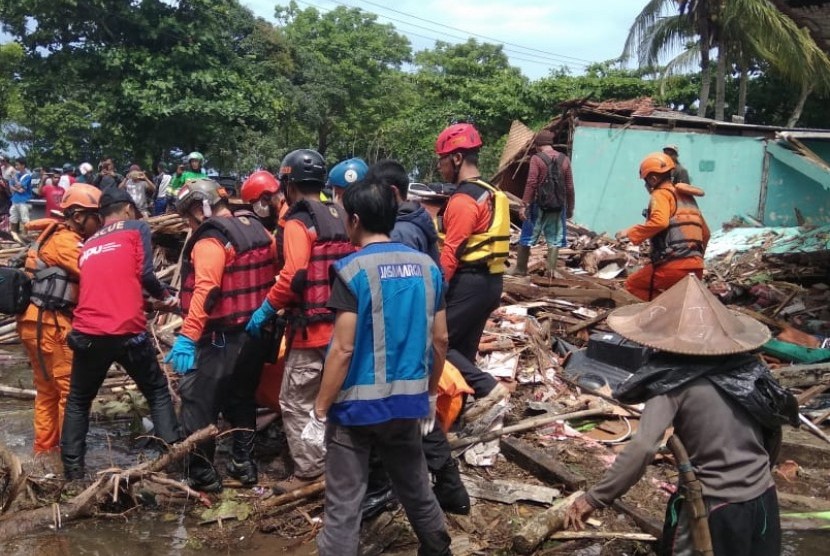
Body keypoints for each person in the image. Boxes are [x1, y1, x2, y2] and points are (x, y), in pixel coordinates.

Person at [564, 274, 792, 556]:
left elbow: (644, 446)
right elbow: (774, 427)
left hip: (715, 506)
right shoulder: (747, 370)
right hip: (763, 498)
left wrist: (595, 498)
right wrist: (757, 476)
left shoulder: (671, 383)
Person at [310, 180, 452, 556]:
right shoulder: (428, 268)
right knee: (415, 486)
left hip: (354, 409)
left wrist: (320, 409)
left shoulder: (350, 271)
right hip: (408, 404)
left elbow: (342, 348)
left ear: (355, 220)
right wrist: (432, 393)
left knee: (343, 505)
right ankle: (438, 547)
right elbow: (441, 340)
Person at [362, 159, 470, 514]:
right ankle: (450, 492)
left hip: (405, 339)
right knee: (415, 417)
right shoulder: (417, 223)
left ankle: (387, 488)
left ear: (391, 194)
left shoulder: (402, 235)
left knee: (398, 415)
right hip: (417, 335)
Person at [245, 149, 354, 493]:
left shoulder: (297, 220)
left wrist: (264, 308)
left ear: (289, 184)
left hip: (311, 331)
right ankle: (340, 462)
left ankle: (309, 472)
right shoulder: (341, 213)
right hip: (343, 327)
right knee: (336, 398)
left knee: (295, 401)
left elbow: (294, 275)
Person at [60, 188, 180, 480]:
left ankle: (73, 475)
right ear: (128, 208)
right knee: (157, 393)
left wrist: (143, 301)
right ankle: (173, 463)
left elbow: (109, 284)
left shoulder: (88, 243)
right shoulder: (136, 227)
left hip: (88, 332)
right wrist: (167, 297)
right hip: (127, 331)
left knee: (78, 401)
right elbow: (147, 276)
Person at [166, 178, 277, 492]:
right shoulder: (259, 229)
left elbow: (207, 289)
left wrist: (188, 336)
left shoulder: (211, 240)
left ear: (199, 207)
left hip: (221, 338)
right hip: (256, 333)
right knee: (241, 397)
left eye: (188, 216)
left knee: (196, 399)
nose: (189, 223)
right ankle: (244, 463)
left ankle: (203, 474)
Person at [17, 184, 102, 454]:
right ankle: (69, 456)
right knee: (70, 393)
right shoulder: (66, 242)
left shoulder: (51, 235)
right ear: (78, 216)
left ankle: (44, 453)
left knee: (47, 392)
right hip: (53, 326)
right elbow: (95, 271)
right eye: (95, 216)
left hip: (35, 324)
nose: (99, 222)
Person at [434, 122, 510, 403]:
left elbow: (452, 252)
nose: (440, 168)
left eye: (442, 161)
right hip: (489, 282)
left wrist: (434, 290)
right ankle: (460, 407)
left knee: (435, 341)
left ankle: (488, 388)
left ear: (456, 158)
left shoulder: (464, 199)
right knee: (463, 350)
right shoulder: (488, 191)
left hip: (469, 283)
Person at [618, 152, 710, 301]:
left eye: (646, 181)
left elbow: (659, 222)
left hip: (673, 267)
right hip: (697, 267)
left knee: (632, 285)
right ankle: (673, 310)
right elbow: (706, 234)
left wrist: (629, 232)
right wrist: (694, 259)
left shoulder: (661, 194)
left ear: (653, 179)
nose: (646, 185)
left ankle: (665, 310)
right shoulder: (687, 198)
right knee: (679, 298)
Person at [513, 130, 575, 276]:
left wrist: (524, 205)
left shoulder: (537, 159)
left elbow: (531, 183)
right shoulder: (564, 159)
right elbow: (570, 187)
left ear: (537, 145)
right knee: (554, 240)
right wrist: (570, 207)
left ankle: (520, 270)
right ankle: (551, 272)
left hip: (537, 205)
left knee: (527, 237)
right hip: (558, 206)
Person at [367, 159, 440, 265]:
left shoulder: (399, 233)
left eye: (374, 193)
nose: (371, 200)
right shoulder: (416, 218)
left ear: (392, 191)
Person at [10, 157, 33, 234]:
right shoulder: (16, 175)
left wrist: (16, 184)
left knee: (25, 219)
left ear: (23, 165)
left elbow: (20, 187)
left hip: (23, 200)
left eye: (17, 165)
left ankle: (25, 236)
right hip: (15, 199)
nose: (16, 167)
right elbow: (12, 186)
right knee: (13, 218)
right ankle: (13, 235)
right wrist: (17, 189)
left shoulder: (27, 176)